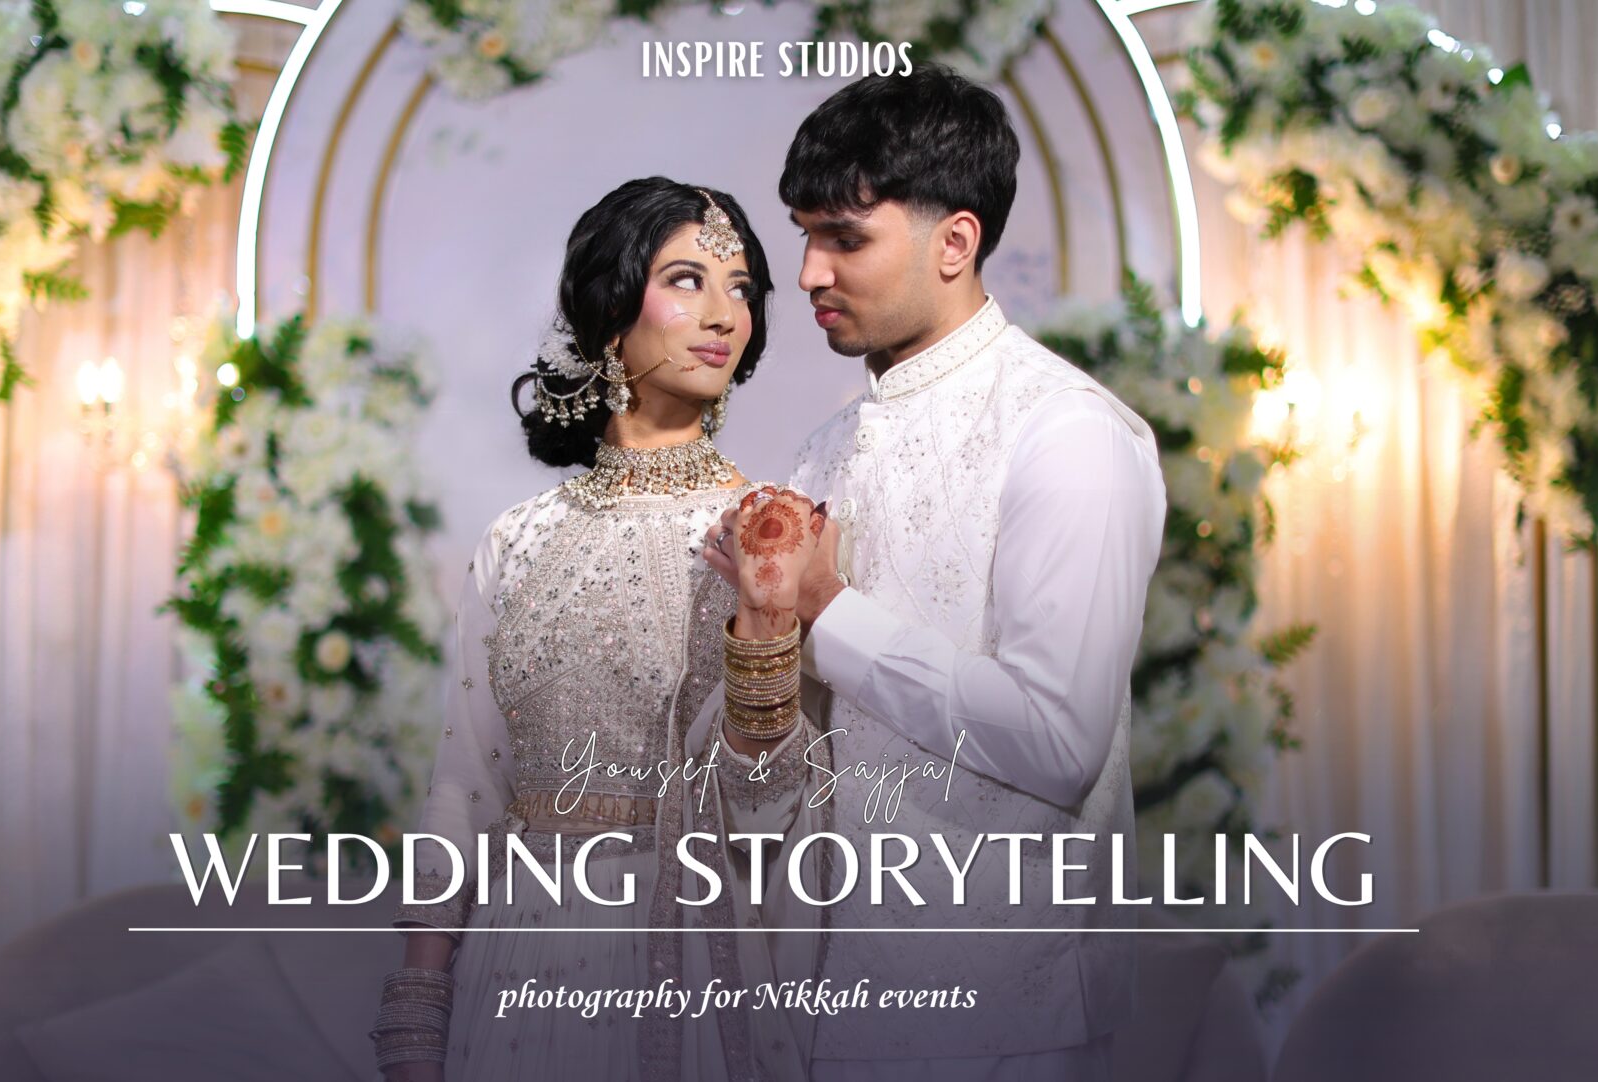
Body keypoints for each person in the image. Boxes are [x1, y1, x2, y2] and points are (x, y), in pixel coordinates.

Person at [702, 66, 1168, 1080]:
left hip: (1012, 1016)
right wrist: (758, 633)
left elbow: (1056, 740)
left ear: (955, 241)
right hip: (831, 1001)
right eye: (805, 235)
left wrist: (825, 612)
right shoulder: (827, 450)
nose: (811, 272)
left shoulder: (1067, 433)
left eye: (845, 237)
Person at [370, 177, 826, 1081]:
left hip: (692, 965)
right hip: (517, 966)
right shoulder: (517, 541)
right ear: (610, 307)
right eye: (689, 279)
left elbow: (778, 806)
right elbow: (465, 787)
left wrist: (768, 622)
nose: (725, 313)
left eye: (742, 289)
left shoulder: (765, 535)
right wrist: (418, 1014)